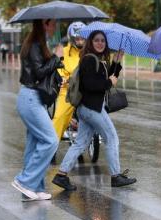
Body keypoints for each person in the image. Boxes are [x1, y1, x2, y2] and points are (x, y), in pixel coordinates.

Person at [52, 30, 137, 191]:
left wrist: (117, 62)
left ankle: (61, 175)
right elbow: (92, 85)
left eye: (103, 41)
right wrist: (109, 83)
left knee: (80, 143)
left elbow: (108, 76)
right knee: (112, 138)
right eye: (96, 40)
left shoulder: (97, 60)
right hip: (93, 108)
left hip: (86, 108)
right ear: (90, 42)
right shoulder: (89, 60)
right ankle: (115, 176)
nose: (100, 43)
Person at [13, 19, 63, 201]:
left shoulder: (37, 44)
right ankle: (24, 181)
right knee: (51, 140)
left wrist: (55, 62)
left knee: (34, 145)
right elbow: (39, 73)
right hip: (30, 98)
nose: (55, 27)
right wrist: (56, 58)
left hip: (33, 98)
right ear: (44, 24)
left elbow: (42, 71)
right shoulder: (34, 44)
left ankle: (34, 188)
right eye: (53, 24)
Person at [51, 22, 86, 160]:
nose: (80, 41)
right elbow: (58, 67)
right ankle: (51, 147)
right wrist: (63, 78)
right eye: (77, 39)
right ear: (71, 39)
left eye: (82, 38)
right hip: (68, 90)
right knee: (59, 117)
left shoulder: (89, 51)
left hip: (87, 89)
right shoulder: (64, 51)